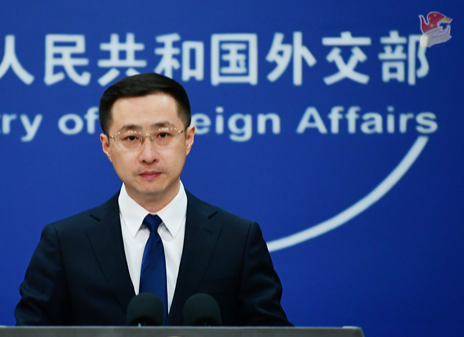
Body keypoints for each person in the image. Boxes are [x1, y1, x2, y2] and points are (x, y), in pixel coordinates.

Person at [14, 73, 291, 326]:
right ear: (107, 146)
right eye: (131, 137)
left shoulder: (238, 239)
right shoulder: (65, 243)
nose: (148, 154)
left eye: (163, 135)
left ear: (189, 139)